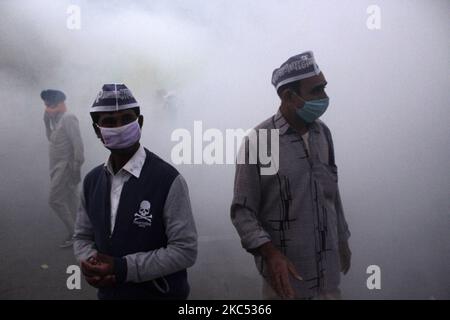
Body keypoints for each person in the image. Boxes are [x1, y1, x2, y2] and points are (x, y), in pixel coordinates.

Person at [230, 51, 351, 299]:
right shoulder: (261, 141)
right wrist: (271, 254)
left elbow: (332, 192)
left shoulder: (323, 134)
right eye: (316, 91)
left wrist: (342, 238)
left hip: (328, 279)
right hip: (287, 284)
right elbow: (242, 211)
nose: (325, 98)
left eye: (324, 89)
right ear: (288, 96)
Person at [73, 84, 197, 300]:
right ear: (97, 131)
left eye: (127, 119)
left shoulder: (168, 179)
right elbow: (82, 235)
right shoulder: (92, 182)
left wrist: (122, 268)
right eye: (109, 122)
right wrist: (92, 263)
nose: (119, 127)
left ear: (139, 122)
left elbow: (184, 250)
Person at [41, 89, 84, 248]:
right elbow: (51, 139)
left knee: (55, 200)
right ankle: (85, 231)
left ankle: (75, 234)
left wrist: (76, 167)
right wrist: (47, 122)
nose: (47, 109)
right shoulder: (56, 120)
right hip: (56, 167)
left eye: (50, 106)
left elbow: (78, 145)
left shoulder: (68, 118)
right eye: (45, 106)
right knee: (72, 199)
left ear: (60, 105)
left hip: (66, 167)